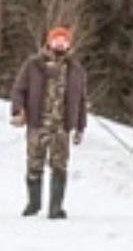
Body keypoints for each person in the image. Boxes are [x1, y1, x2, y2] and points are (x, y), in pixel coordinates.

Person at [9, 26, 89, 219]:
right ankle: (33, 204)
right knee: (34, 165)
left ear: (69, 44)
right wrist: (18, 110)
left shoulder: (76, 70)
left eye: (64, 41)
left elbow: (82, 100)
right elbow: (18, 90)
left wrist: (80, 127)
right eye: (56, 40)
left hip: (62, 126)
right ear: (49, 42)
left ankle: (55, 208)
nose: (60, 44)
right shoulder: (33, 64)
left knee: (59, 166)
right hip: (37, 123)